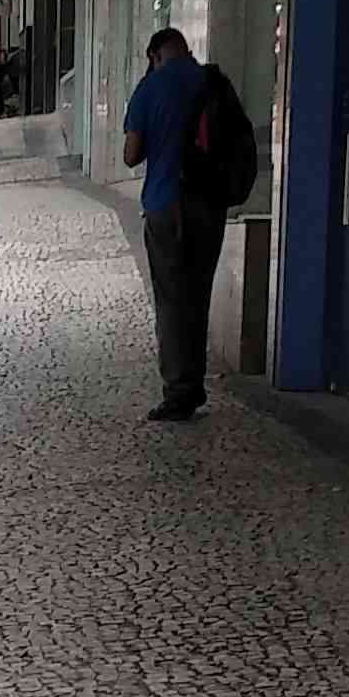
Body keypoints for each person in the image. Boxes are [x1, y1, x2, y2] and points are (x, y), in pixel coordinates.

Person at [121, 24, 221, 422]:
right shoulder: (210, 81)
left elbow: (131, 155)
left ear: (155, 56)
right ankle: (194, 383)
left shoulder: (151, 88)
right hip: (209, 205)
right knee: (198, 296)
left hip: (167, 204)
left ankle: (179, 391)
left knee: (171, 301)